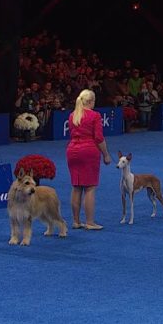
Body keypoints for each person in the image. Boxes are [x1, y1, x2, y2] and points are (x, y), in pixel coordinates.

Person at [66, 89, 111, 230]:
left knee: (76, 186)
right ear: (91, 101)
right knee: (90, 187)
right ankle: (90, 222)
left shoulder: (73, 115)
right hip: (88, 152)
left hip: (72, 150)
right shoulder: (95, 115)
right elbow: (98, 138)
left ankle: (76, 221)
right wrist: (106, 154)